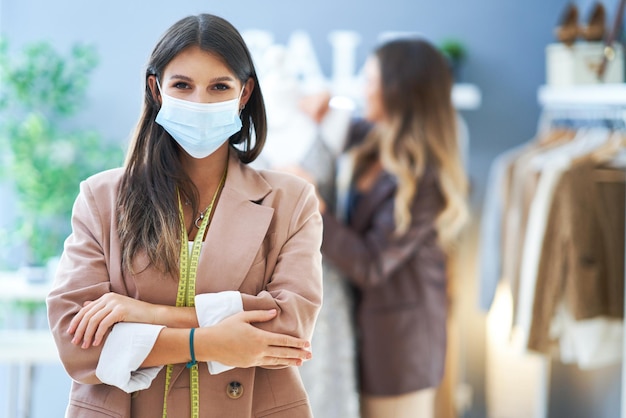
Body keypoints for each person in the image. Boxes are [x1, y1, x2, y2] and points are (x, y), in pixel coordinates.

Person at [46, 13, 323, 418]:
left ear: (244, 94)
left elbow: (288, 332)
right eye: (182, 85)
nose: (200, 102)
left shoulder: (291, 200)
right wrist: (205, 342)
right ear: (156, 89)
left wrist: (145, 314)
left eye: (219, 87)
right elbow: (78, 343)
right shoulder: (101, 197)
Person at [293, 37, 469, 418]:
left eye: (371, 81)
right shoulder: (374, 139)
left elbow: (372, 263)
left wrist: (315, 209)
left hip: (400, 351)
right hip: (368, 335)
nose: (362, 89)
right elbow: (341, 121)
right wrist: (325, 107)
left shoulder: (426, 179)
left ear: (399, 91)